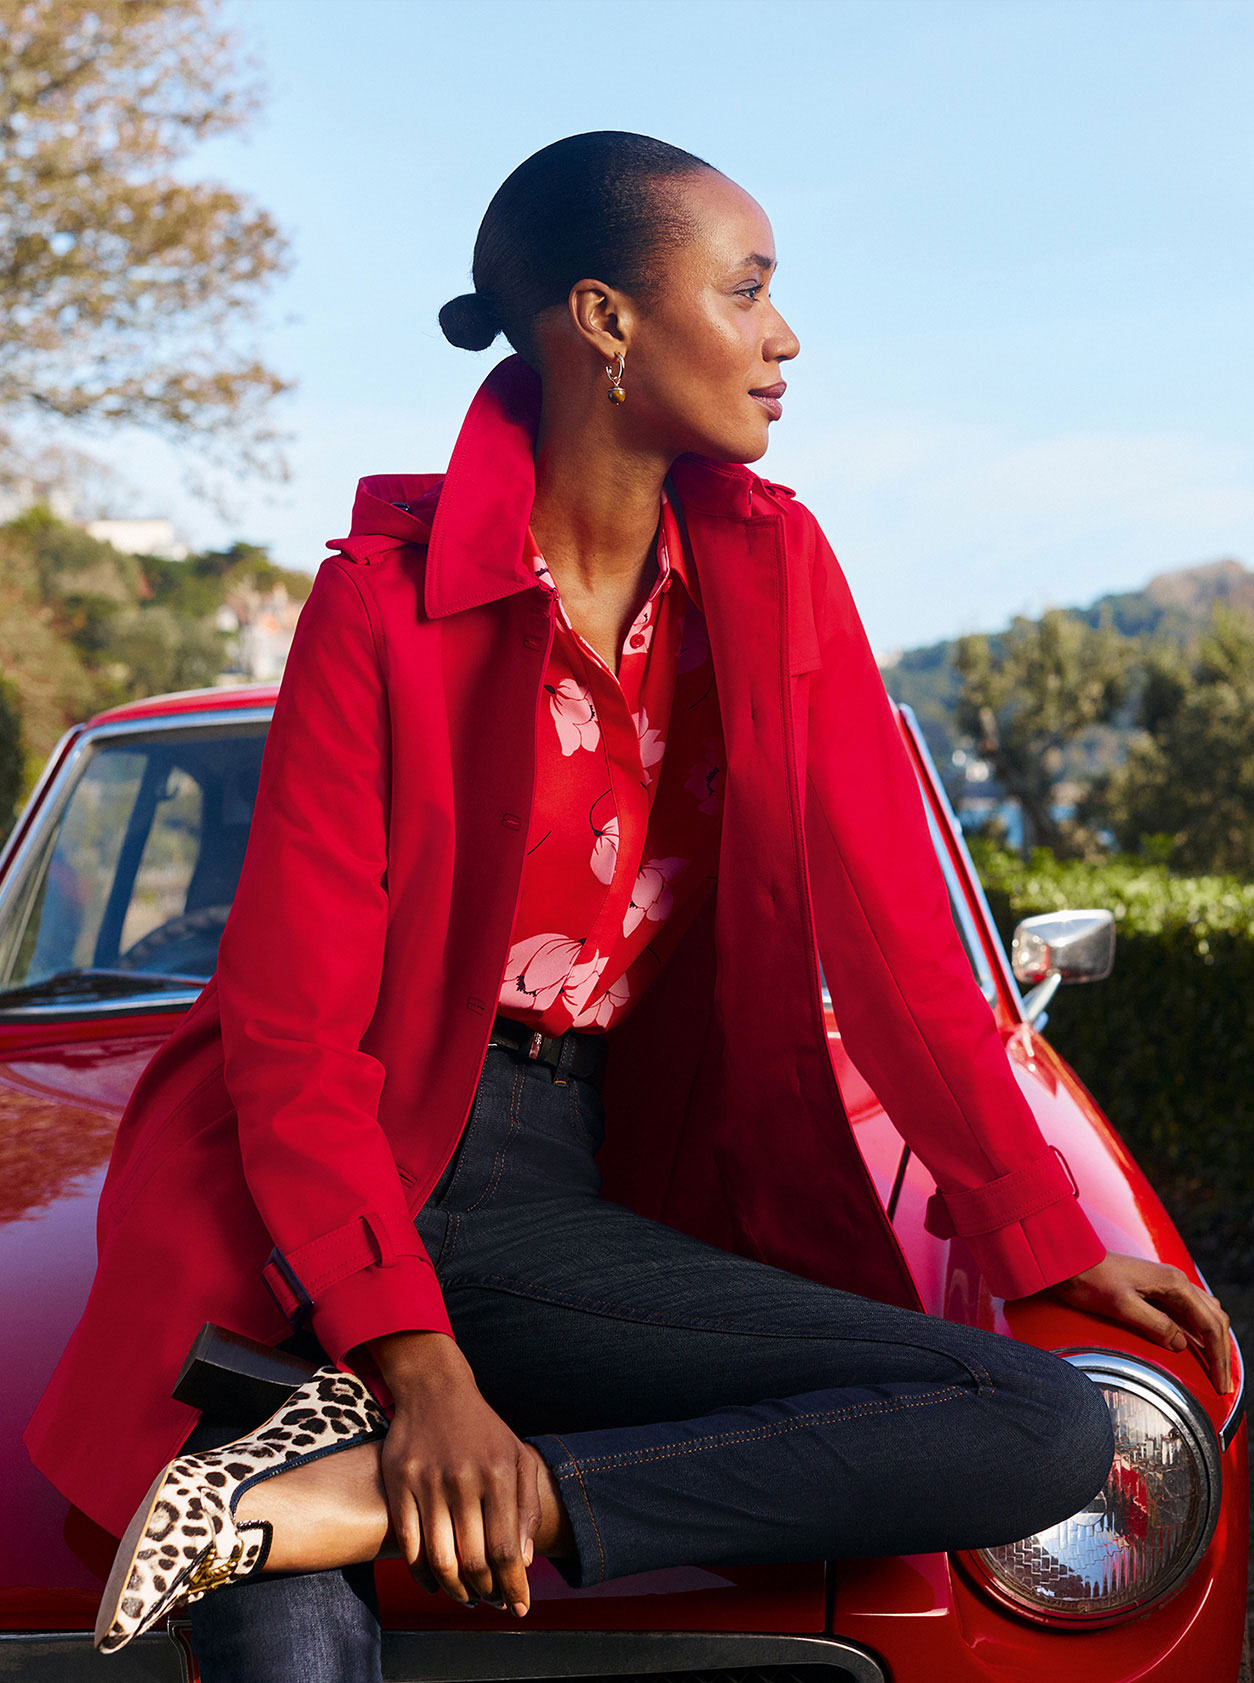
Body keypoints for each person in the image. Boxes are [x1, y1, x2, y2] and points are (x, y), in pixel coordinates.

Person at [26, 131, 1231, 1683]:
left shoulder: (776, 565)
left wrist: (1035, 1224)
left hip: (561, 1192)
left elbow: (898, 949)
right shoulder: (380, 605)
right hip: (314, 1189)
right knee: (290, 1659)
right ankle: (311, 1492)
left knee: (1037, 1421)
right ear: (601, 318)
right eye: (745, 290)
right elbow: (292, 1031)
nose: (784, 337)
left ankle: (338, 1502)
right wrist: (420, 1367)